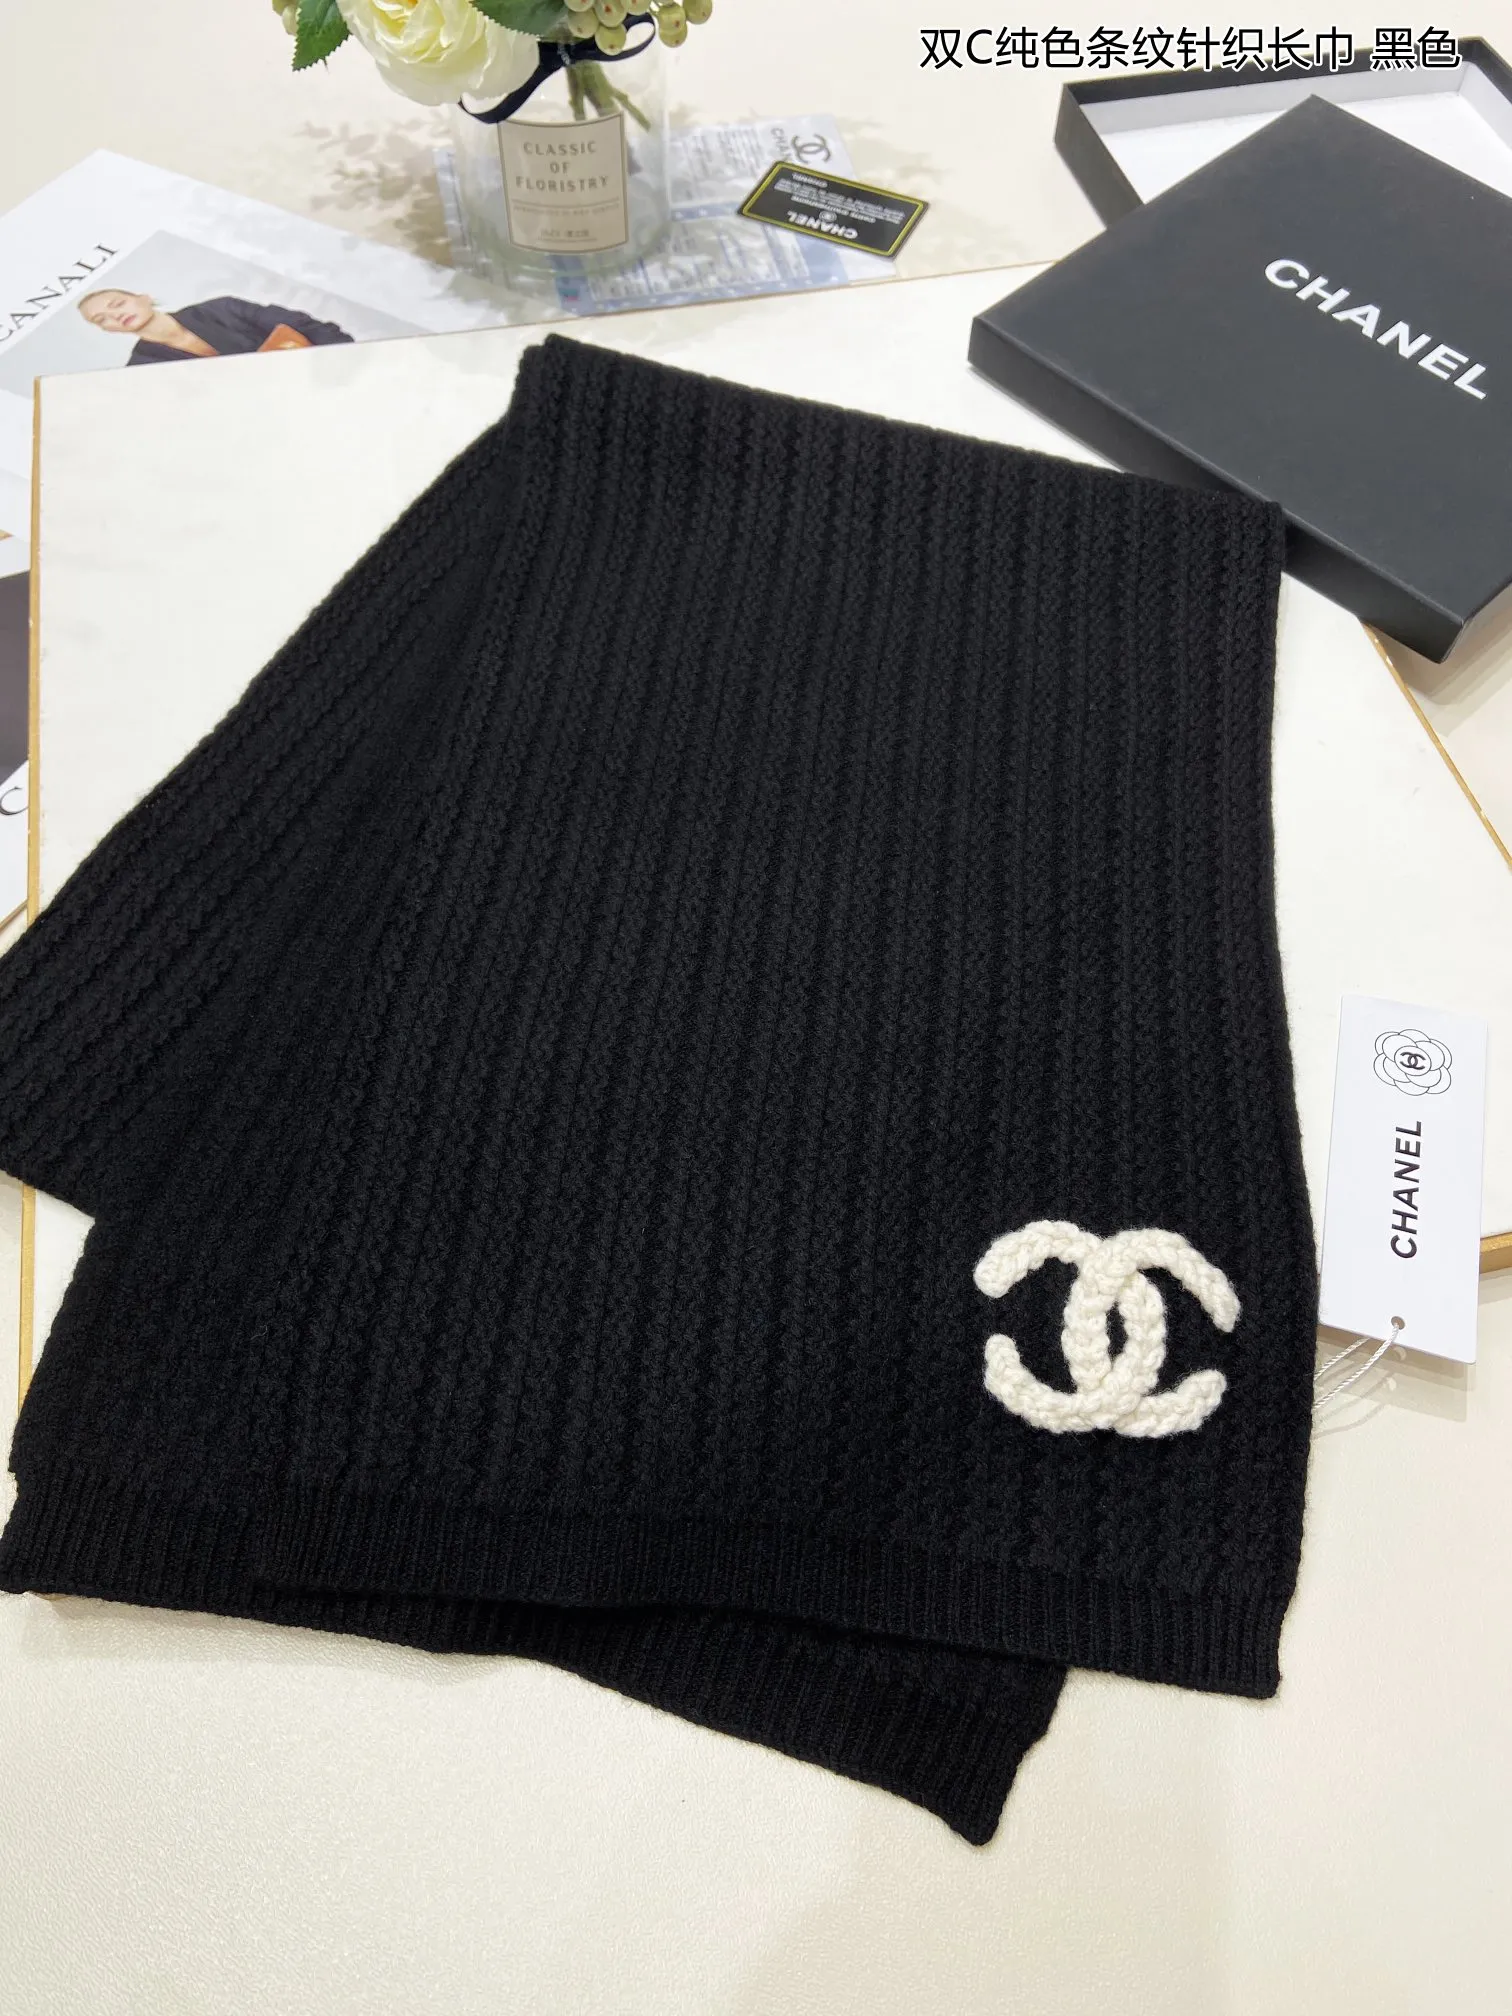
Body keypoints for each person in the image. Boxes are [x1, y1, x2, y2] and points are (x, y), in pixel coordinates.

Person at [77, 287, 354, 365]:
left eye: (117, 304)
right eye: (102, 319)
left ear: (144, 298)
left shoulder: (222, 308)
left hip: (327, 373)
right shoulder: (141, 368)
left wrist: (347, 361)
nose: (115, 316)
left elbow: (309, 327)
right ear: (106, 330)